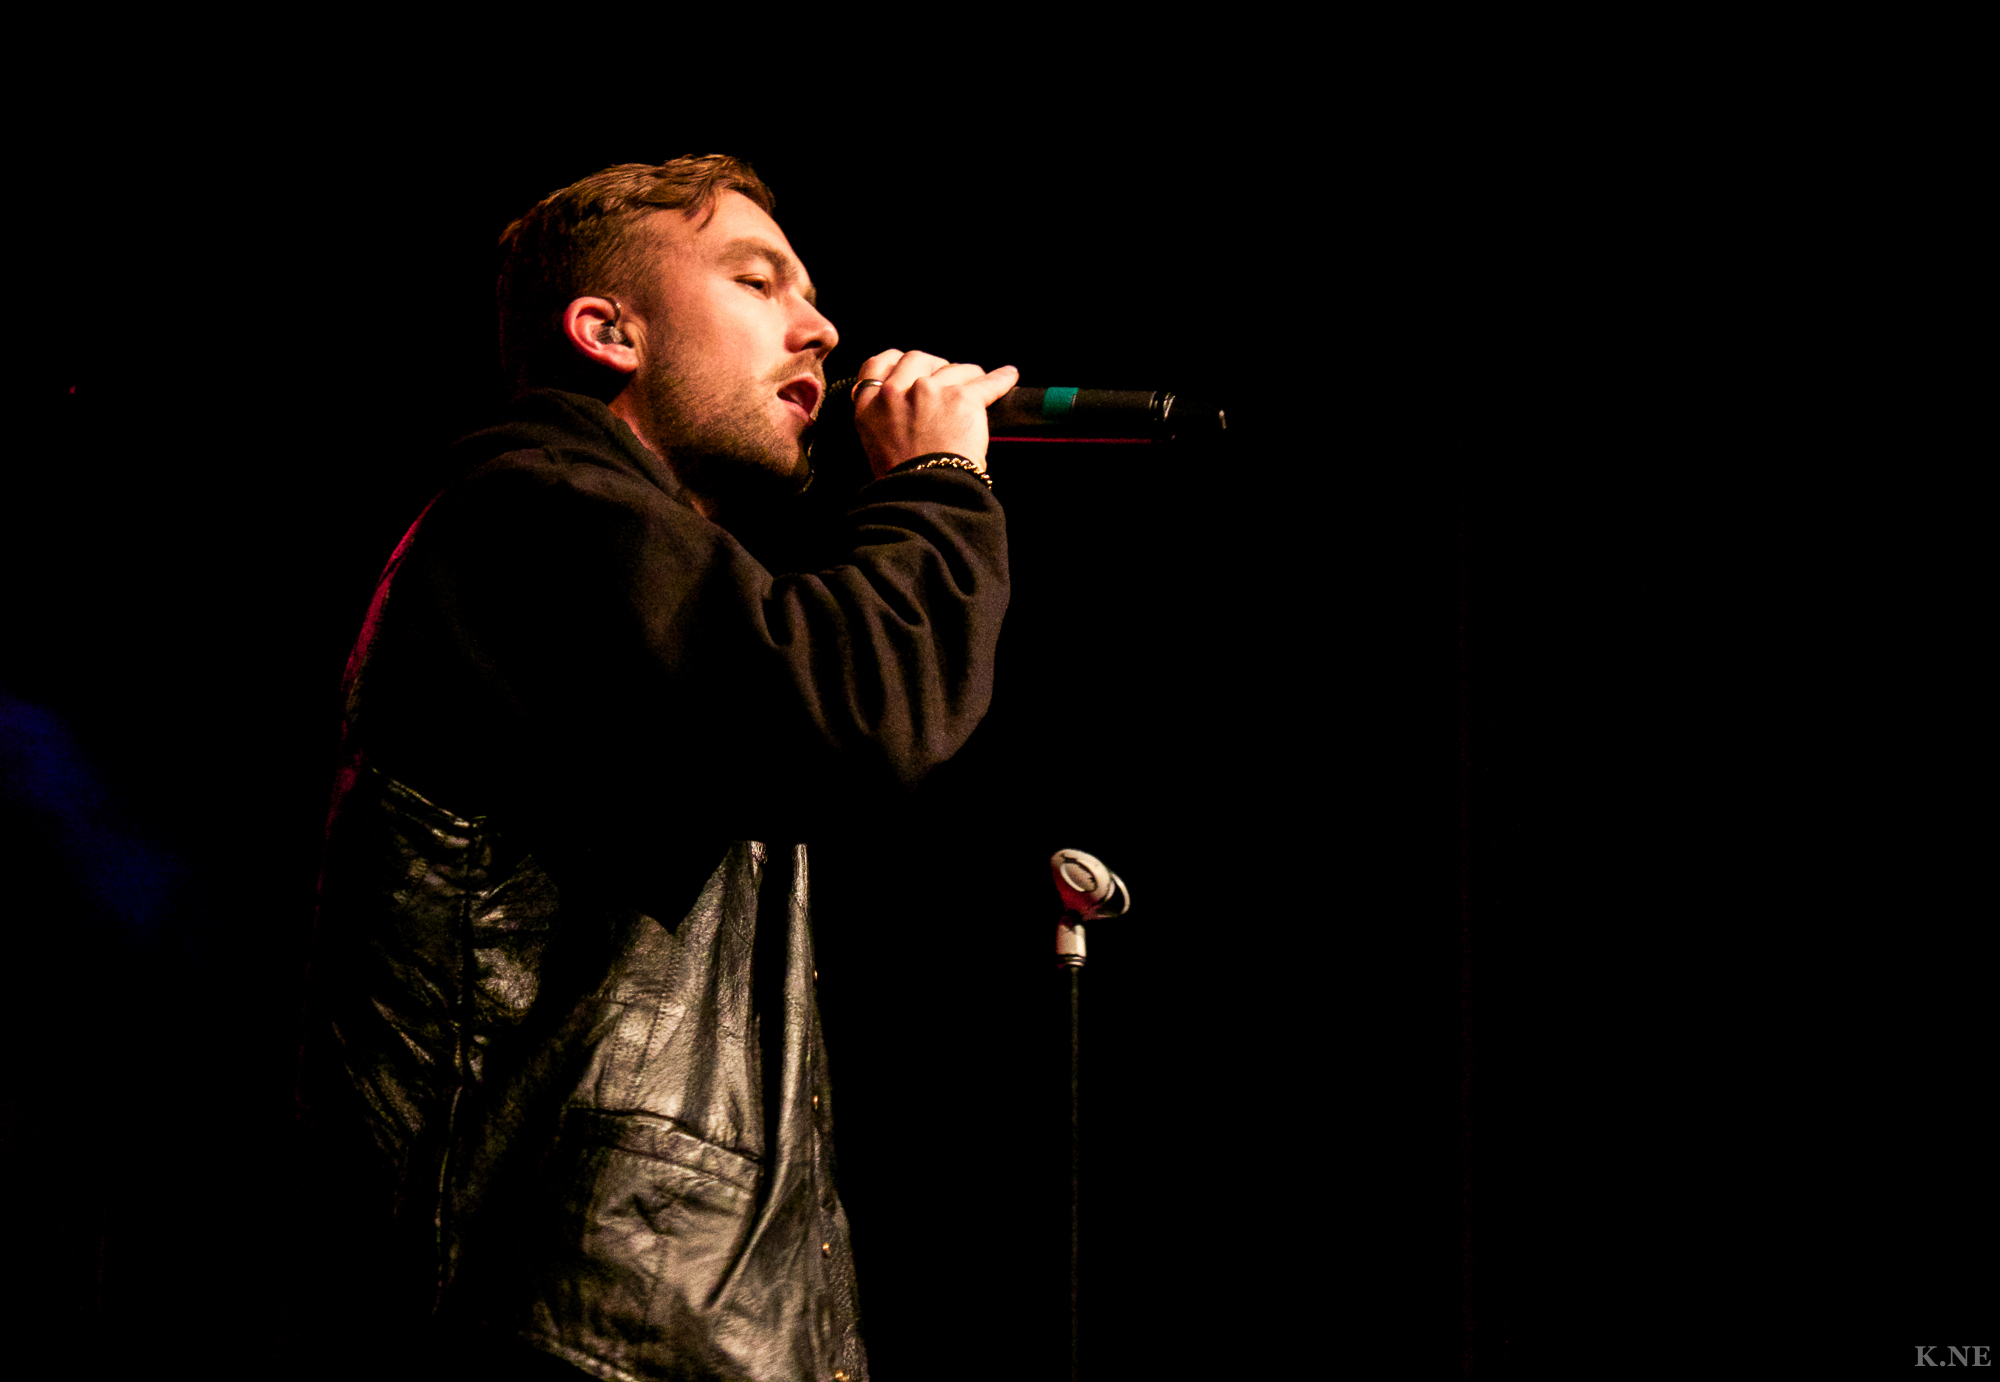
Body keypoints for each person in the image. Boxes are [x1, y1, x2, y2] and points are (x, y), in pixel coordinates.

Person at [293, 154, 1017, 1382]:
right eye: (756, 280)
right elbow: (858, 706)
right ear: (608, 331)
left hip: (644, 1311)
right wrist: (938, 483)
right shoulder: (532, 509)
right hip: (571, 1319)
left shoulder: (635, 564)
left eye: (810, 295)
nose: (820, 329)